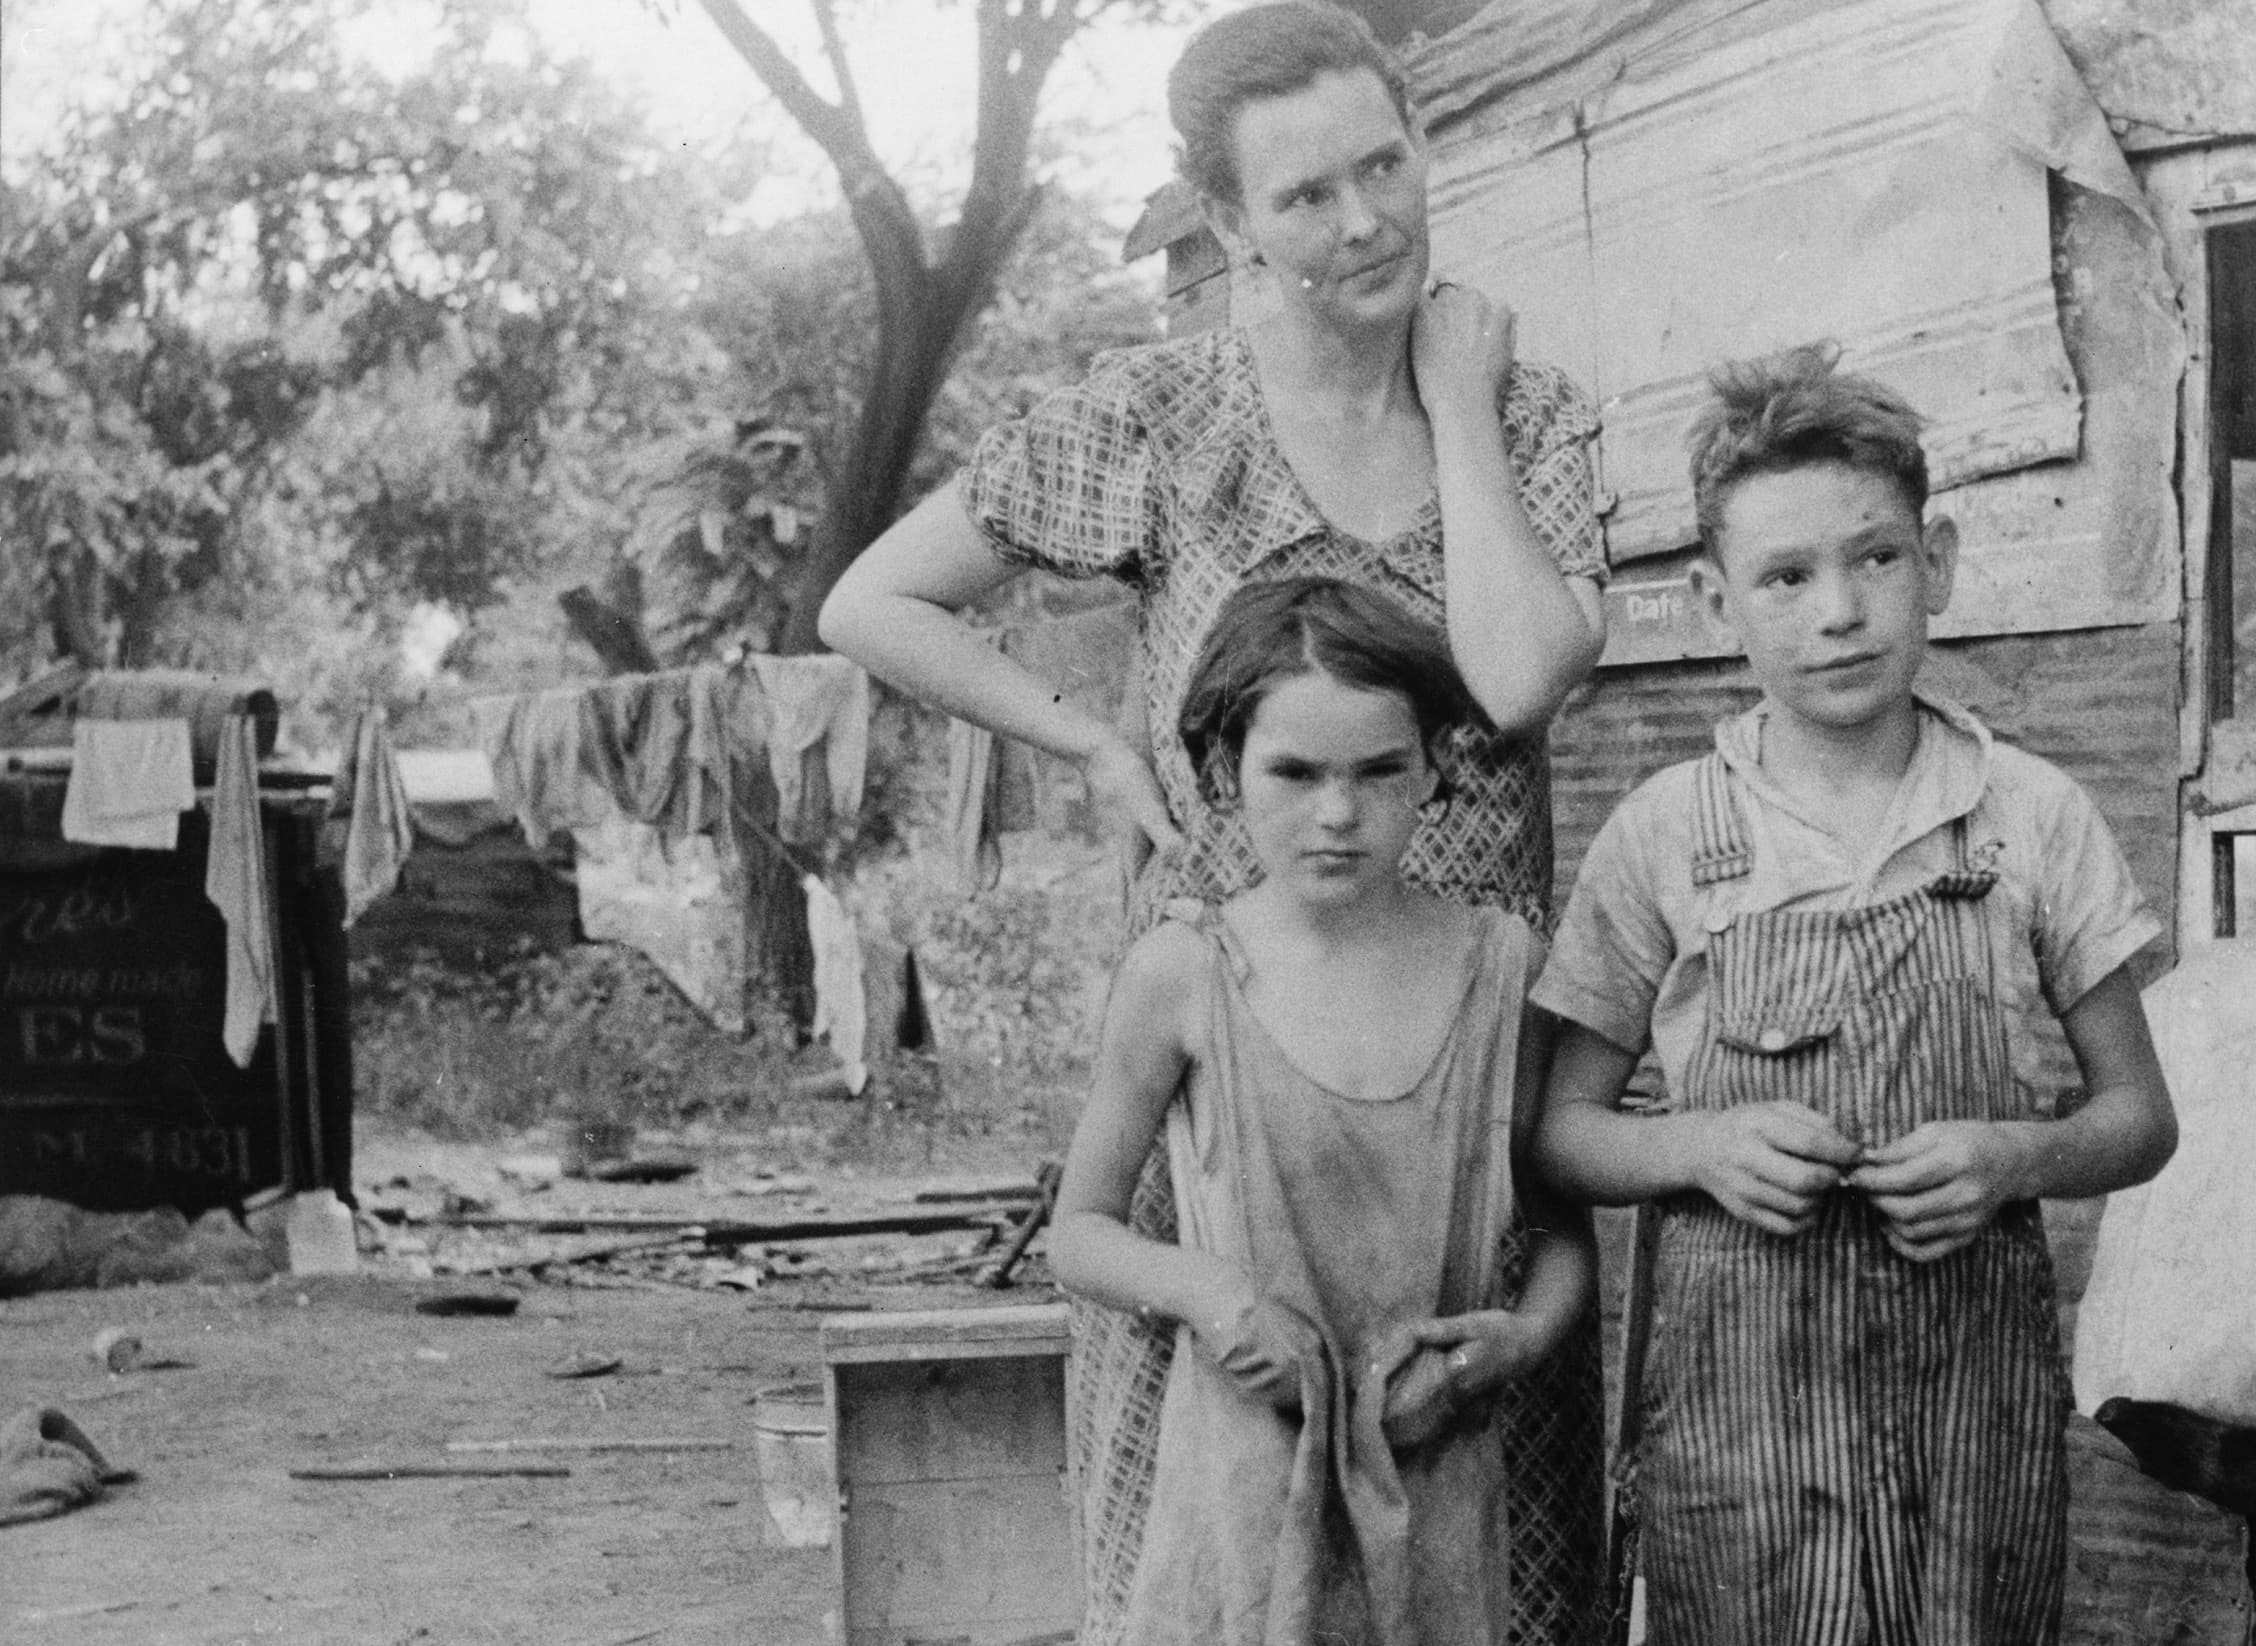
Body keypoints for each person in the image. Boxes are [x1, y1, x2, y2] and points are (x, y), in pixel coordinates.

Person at [814, 6, 1610, 1639]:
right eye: (1307, 197)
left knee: (1471, 1546)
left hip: (1455, 1092)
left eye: (1387, 164)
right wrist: (1085, 738)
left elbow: (1519, 680)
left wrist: (1449, 396)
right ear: (1231, 224)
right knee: (1214, 1558)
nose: (1367, 219)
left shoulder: (1524, 416)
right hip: (1229, 1100)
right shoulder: (1159, 421)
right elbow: (871, 601)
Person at [1528, 344, 2179, 1646]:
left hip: (1966, 1425)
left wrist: (2013, 1155)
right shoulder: (1666, 833)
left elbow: (2140, 1117)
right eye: (1785, 575)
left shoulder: (2028, 817)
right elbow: (1558, 1130)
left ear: (1933, 559)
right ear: (1718, 598)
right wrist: (1700, 1146)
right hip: (1741, 1438)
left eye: (1874, 557)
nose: (1838, 609)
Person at [1047, 576, 1593, 1646]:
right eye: (1293, 773)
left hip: (1430, 1478)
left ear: (1433, 766)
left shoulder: (1499, 967)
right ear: (1221, 770)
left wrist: (1518, 1339)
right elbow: (1080, 1230)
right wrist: (1208, 1292)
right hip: (1240, 1495)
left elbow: (1559, 1222)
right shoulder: (1182, 971)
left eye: (1379, 770)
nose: (1337, 814)